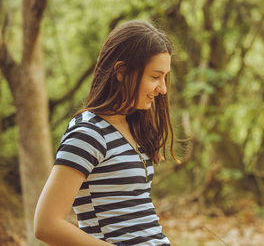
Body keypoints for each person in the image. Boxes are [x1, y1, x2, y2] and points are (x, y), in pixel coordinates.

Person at [34, 20, 179, 246]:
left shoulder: (131, 126)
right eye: (155, 77)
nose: (163, 89)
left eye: (164, 77)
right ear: (121, 72)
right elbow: (46, 224)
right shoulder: (88, 133)